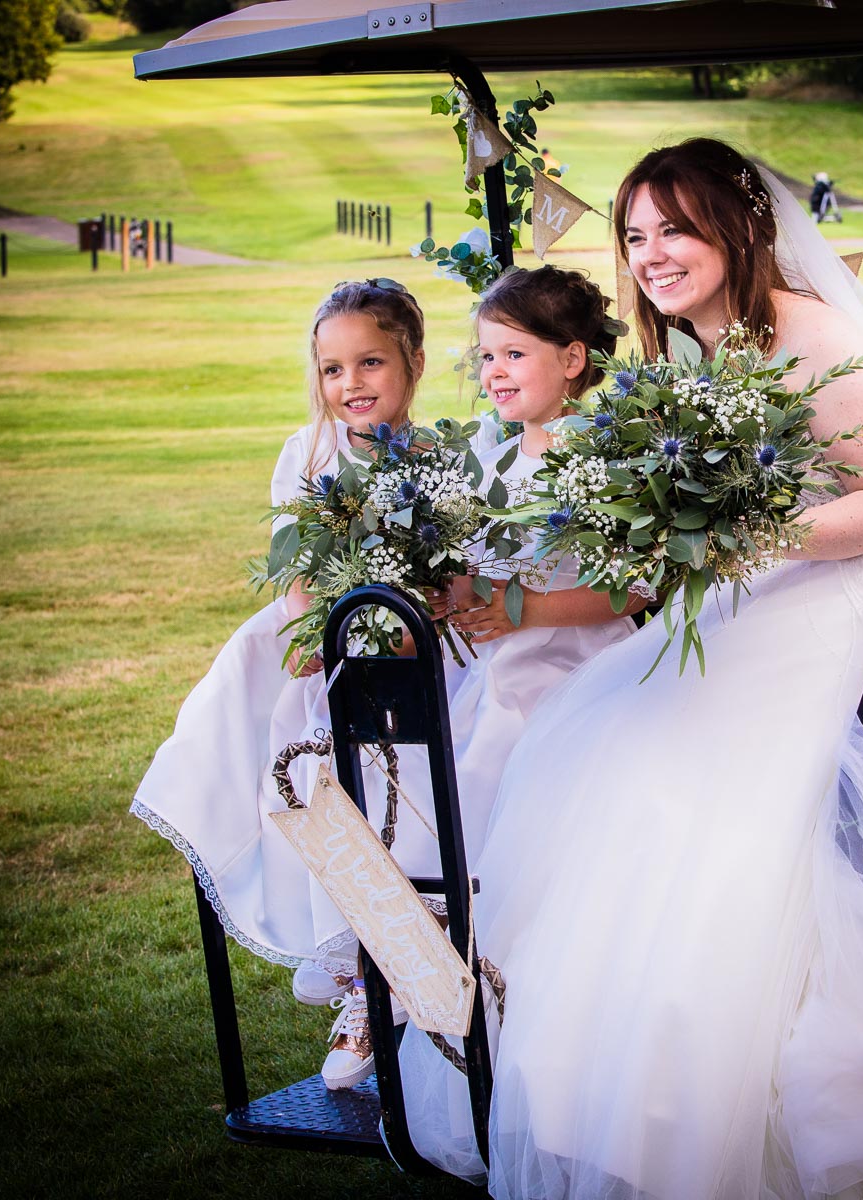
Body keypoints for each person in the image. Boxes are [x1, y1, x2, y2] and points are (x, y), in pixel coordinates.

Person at [395, 139, 863, 1197]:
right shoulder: (698, 348)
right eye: (635, 235)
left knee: (682, 773)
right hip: (767, 586)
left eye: (676, 229)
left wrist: (734, 538)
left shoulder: (812, 332)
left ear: (739, 228)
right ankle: (591, 1092)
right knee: (591, 739)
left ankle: (696, 1097)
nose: (651, 254)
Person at [132, 272, 640, 1092]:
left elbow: (460, 574)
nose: (351, 383)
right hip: (320, 649)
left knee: (420, 772)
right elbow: (300, 571)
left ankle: (401, 966)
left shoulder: (449, 457)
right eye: (333, 369)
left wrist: (427, 617)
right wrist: (321, 629)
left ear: (412, 362)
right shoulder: (310, 453)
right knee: (317, 770)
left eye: (370, 363)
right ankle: (365, 963)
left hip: (422, 651)